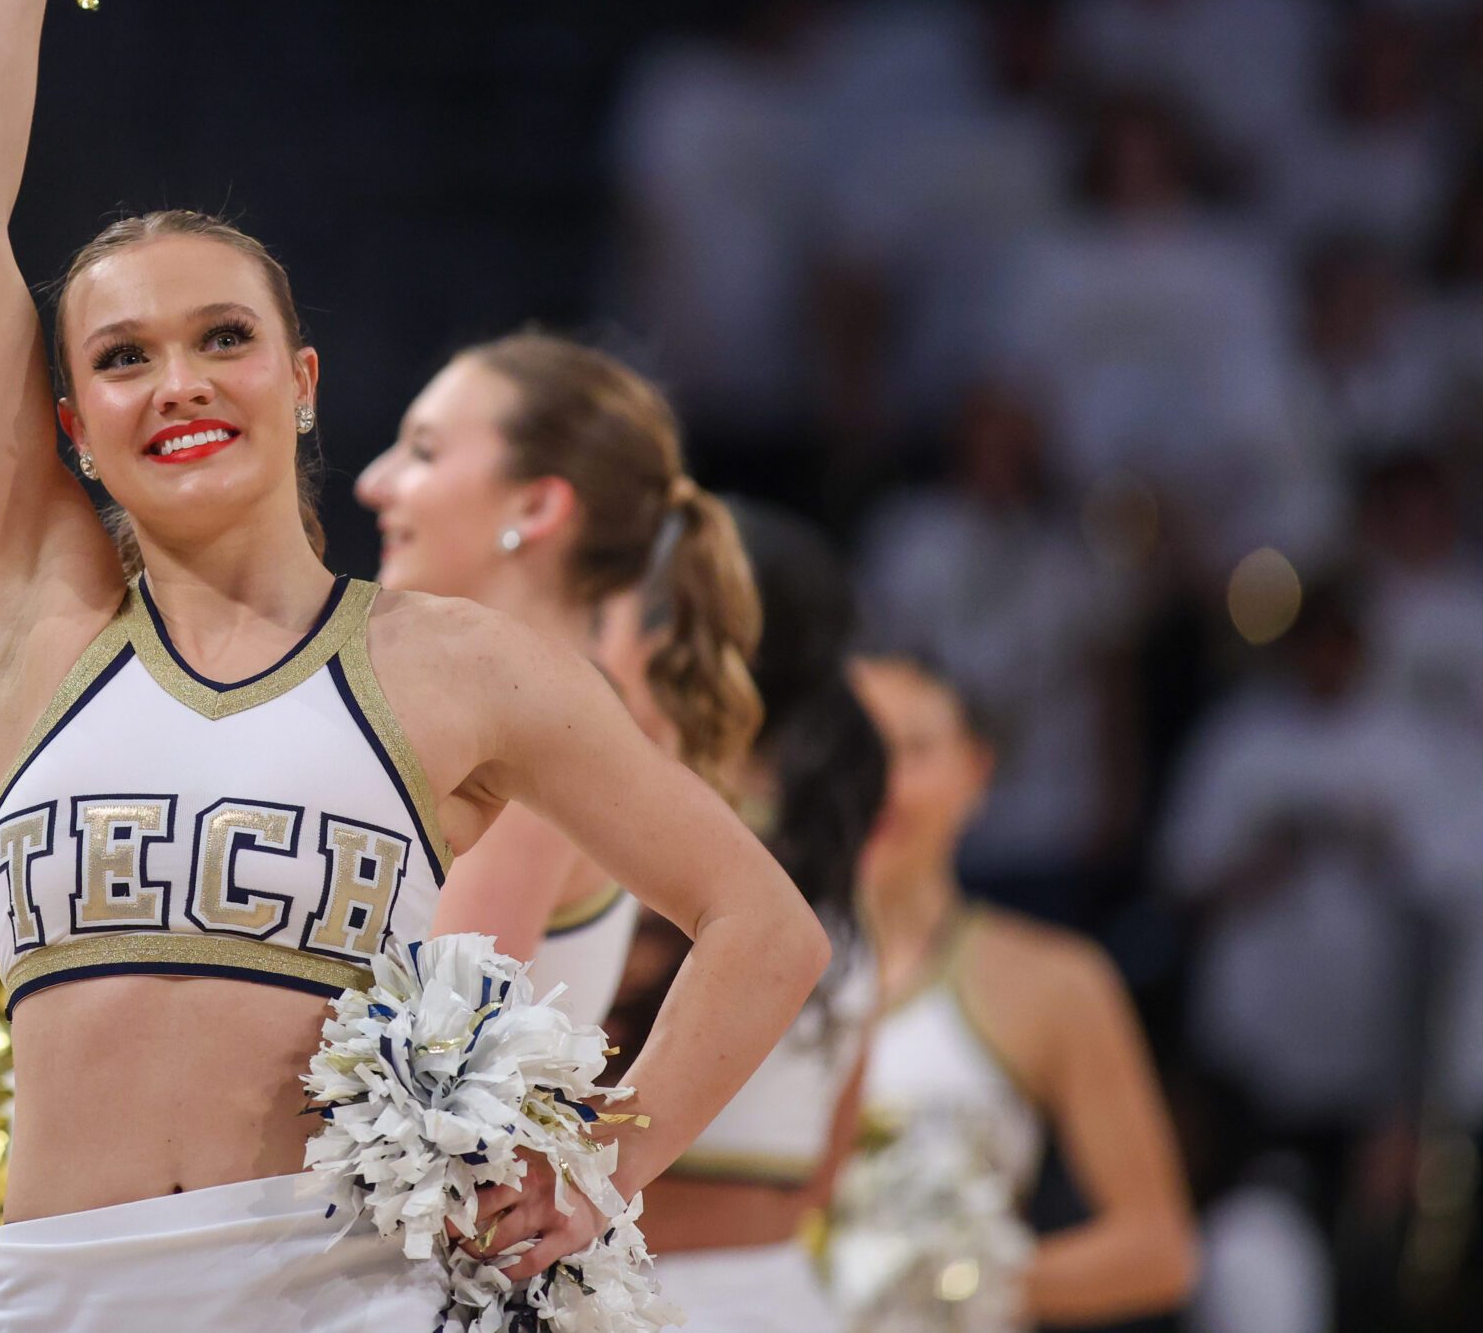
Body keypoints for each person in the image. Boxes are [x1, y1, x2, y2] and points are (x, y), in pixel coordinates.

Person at [0, 0, 830, 1331]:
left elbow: (763, 924)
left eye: (222, 337)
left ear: (303, 378)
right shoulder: (27, 620)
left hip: (345, 1296)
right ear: (72, 424)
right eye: (120, 355)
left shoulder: (455, 663)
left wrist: (605, 1163)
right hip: (63, 1295)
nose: (176, 380)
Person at [352, 332, 764, 1035]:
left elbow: (427, 1055)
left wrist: (627, 1148)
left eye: (423, 452)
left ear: (536, 507)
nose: (373, 482)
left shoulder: (536, 736)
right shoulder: (521, 714)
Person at [846, 656, 1197, 1329]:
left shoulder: (1056, 982)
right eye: (853, 750)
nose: (878, 782)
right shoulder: (744, 963)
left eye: (913, 750)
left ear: (975, 770)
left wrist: (952, 1279)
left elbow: (1160, 1248)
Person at [607, 505, 889, 1332]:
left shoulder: (656, 849)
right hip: (779, 1294)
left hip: (640, 1295)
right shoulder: (829, 845)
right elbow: (818, 1177)